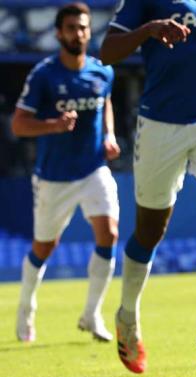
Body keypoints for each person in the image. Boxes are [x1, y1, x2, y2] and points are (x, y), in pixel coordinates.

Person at [100, 0, 196, 377]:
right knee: (150, 230)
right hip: (161, 124)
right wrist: (148, 29)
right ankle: (127, 315)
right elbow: (107, 51)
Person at [12, 2, 120, 343]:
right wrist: (53, 125)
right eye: (71, 28)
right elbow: (19, 125)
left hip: (93, 169)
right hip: (54, 177)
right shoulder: (44, 75)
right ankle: (26, 307)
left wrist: (110, 135)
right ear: (59, 33)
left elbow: (106, 103)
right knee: (45, 246)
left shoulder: (102, 71)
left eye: (83, 27)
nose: (78, 34)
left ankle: (92, 314)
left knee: (109, 233)